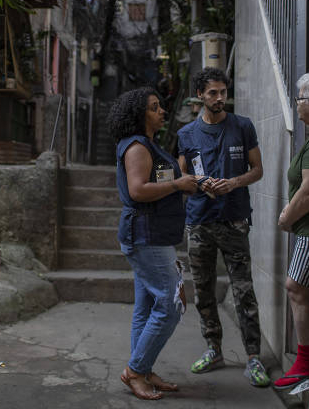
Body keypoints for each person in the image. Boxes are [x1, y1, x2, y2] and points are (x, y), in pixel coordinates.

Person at [177, 68, 270, 387]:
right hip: (200, 222)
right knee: (203, 290)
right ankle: (213, 349)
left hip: (234, 218)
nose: (219, 98)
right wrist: (201, 183)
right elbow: (182, 179)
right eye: (212, 93)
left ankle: (254, 357)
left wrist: (234, 182)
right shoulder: (186, 134)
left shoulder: (242, 126)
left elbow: (257, 170)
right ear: (200, 95)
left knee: (243, 290)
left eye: (222, 92)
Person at [108, 87, 199, 401]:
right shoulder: (137, 147)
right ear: (139, 115)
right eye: (154, 107)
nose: (162, 111)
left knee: (147, 307)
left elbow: (157, 185)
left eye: (160, 106)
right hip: (147, 237)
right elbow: (138, 190)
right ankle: (135, 371)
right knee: (172, 305)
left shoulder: (147, 145)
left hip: (153, 234)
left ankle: (143, 370)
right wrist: (178, 183)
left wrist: (187, 184)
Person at [274, 70, 309, 390]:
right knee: (299, 290)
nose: (297, 103)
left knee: (295, 287)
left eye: (302, 98)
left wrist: (286, 218)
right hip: (305, 227)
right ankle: (305, 361)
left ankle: (306, 363)